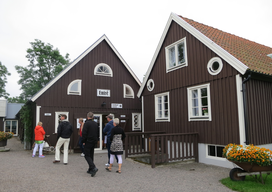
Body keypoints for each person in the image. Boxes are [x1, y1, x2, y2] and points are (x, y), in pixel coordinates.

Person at [82, 112, 99, 177]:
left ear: (87, 116)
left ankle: (93, 167)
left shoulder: (86, 123)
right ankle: (90, 169)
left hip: (88, 141)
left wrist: (83, 141)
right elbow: (97, 132)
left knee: (86, 155)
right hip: (94, 141)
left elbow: (84, 133)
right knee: (91, 154)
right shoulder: (95, 123)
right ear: (93, 117)